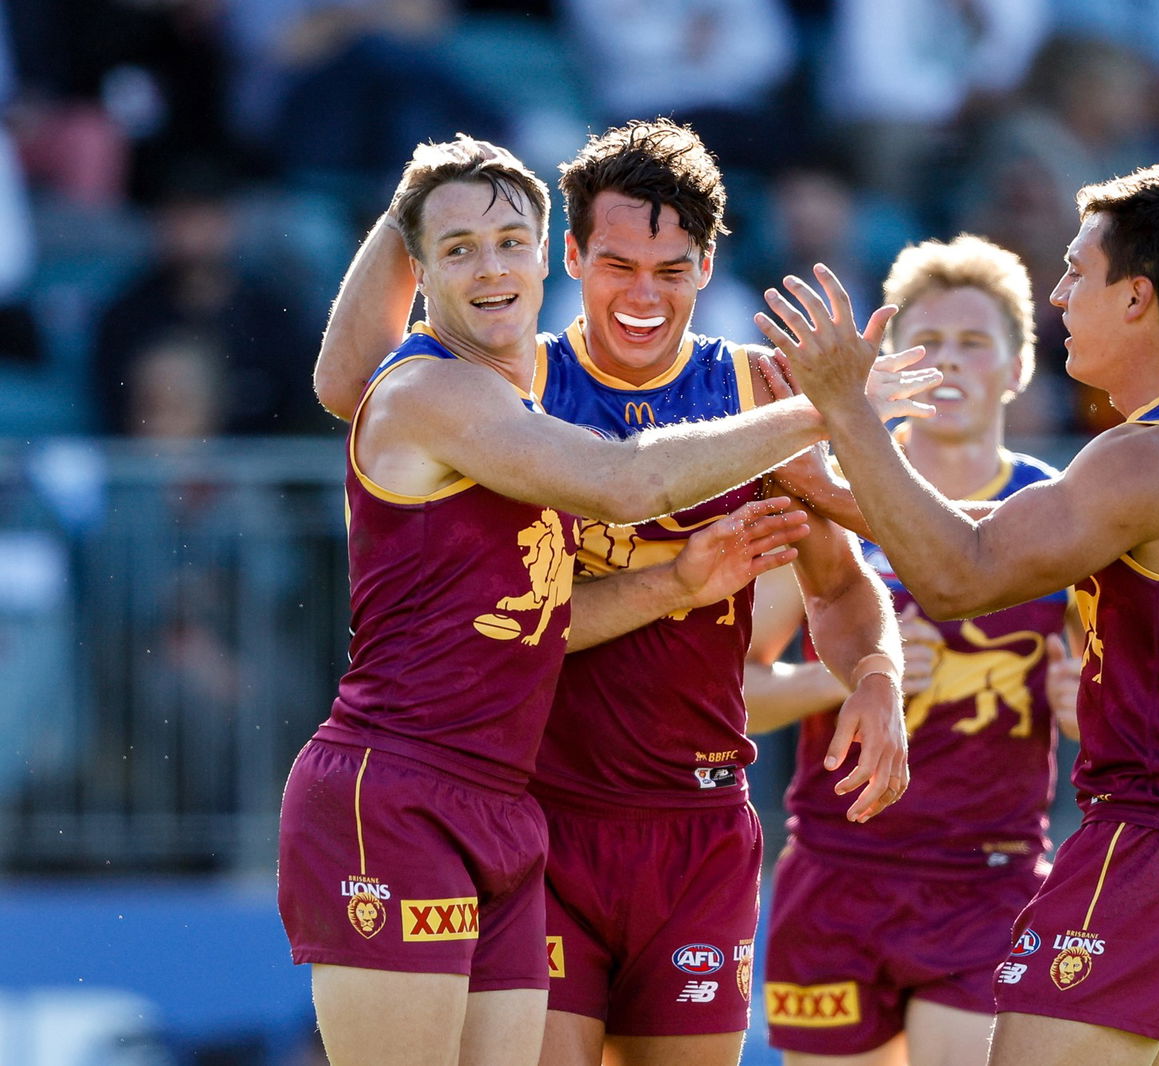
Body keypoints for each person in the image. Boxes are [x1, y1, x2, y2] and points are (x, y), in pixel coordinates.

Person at [283, 134, 923, 1066]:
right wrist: (828, 407)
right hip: (465, 792)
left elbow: (540, 618)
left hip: (605, 815)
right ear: (576, 259)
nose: (642, 293)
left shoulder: (704, 389)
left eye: (509, 242)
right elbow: (624, 484)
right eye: (617, 263)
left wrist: (871, 665)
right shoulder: (490, 389)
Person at [759, 164, 1159, 1066]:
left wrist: (844, 413)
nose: (1058, 295)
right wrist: (836, 488)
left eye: (1073, 274)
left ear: (1137, 298)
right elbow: (1003, 534)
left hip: (1155, 844)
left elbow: (956, 577)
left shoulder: (1145, 458)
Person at [743, 234, 1084, 1066]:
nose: (954, 365)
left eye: (977, 344)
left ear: (1017, 369)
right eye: (929, 344)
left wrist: (1088, 713)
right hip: (837, 867)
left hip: (987, 876)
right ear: (888, 366)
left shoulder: (1062, 513)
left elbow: (1111, 709)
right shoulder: (831, 496)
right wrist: (853, 679)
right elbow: (734, 694)